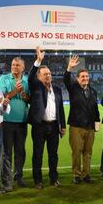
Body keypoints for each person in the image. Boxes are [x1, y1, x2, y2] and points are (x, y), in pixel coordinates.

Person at [28, 47, 66, 189]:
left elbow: (60, 108)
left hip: (54, 126)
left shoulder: (57, 89)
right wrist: (38, 61)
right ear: (39, 77)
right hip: (39, 126)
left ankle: (53, 178)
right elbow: (31, 77)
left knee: (53, 155)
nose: (48, 76)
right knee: (38, 154)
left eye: (49, 74)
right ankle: (38, 181)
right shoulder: (36, 86)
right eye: (45, 74)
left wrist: (62, 126)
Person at [64, 55, 100, 184]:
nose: (85, 78)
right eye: (83, 77)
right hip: (76, 126)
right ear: (78, 79)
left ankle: (86, 174)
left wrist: (97, 123)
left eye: (87, 76)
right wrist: (69, 68)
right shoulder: (73, 88)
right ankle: (76, 174)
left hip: (90, 127)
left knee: (88, 152)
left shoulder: (93, 91)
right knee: (76, 151)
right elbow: (66, 80)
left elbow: (95, 109)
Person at [0, 57, 30, 191]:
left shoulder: (27, 80)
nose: (14, 67)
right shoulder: (4, 79)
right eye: (12, 65)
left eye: (17, 65)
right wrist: (15, 91)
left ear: (23, 68)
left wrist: (23, 94)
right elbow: (2, 96)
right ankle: (6, 181)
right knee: (6, 153)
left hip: (22, 121)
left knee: (20, 151)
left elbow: (29, 98)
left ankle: (18, 176)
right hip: (6, 121)